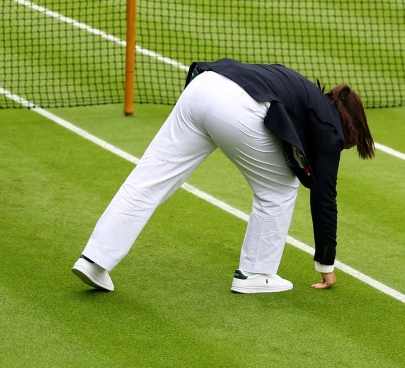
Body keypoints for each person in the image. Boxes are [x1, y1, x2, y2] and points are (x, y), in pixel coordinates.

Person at [72, 58, 375, 294]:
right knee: (280, 188)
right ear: (352, 127)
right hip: (236, 106)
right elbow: (324, 197)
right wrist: (326, 262)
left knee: (149, 179)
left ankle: (95, 259)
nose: (346, 147)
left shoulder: (308, 97)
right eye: (352, 144)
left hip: (203, 86)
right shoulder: (330, 128)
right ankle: (255, 274)